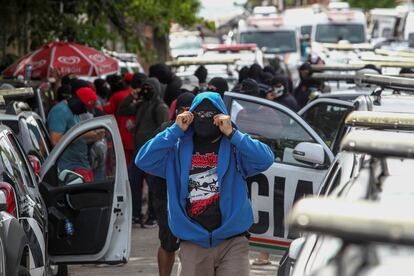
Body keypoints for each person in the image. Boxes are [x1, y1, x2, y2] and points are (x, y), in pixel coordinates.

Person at [136, 92, 274, 276]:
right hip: (193, 242)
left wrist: (233, 133)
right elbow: (143, 160)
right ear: (190, 115)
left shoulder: (234, 147)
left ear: (221, 117)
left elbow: (265, 159)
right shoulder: (177, 148)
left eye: (211, 115)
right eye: (199, 115)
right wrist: (175, 130)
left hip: (232, 241)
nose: (204, 119)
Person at [149, 92, 195, 276]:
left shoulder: (201, 131)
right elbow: (148, 160)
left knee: (193, 245)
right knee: (168, 243)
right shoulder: (166, 130)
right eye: (186, 110)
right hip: (166, 195)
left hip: (194, 195)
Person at [119, 77, 169, 226]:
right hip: (138, 154)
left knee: (154, 187)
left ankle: (153, 216)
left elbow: (164, 130)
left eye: (149, 88)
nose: (146, 91)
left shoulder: (160, 107)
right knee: (134, 184)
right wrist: (132, 96)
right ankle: (136, 214)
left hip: (151, 155)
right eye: (144, 87)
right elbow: (123, 110)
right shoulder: (142, 104)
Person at [47, 87, 101, 182]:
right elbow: (55, 141)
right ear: (77, 102)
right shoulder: (60, 111)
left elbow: (75, 135)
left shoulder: (73, 112)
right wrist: (80, 134)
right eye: (85, 108)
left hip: (80, 164)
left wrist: (95, 135)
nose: (85, 111)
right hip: (70, 168)